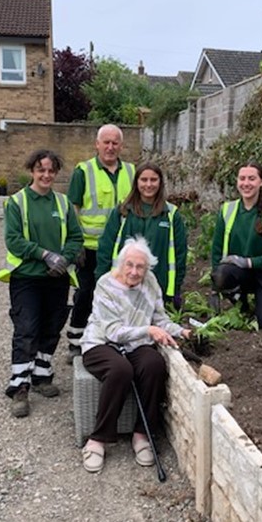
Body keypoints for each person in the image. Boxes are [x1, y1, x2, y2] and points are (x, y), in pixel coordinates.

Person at [79, 236, 190, 474]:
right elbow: (112, 331)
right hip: (101, 342)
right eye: (129, 265)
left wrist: (182, 331)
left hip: (136, 342)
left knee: (154, 364)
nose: (134, 271)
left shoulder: (150, 282)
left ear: (147, 268)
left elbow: (160, 318)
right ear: (121, 264)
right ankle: (98, 439)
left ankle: (142, 434)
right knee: (121, 370)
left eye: (140, 266)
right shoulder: (105, 285)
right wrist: (148, 330)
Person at [0, 149, 84, 418]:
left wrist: (64, 260)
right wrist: (45, 255)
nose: (46, 175)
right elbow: (14, 240)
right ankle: (19, 386)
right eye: (41, 169)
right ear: (32, 171)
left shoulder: (63, 204)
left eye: (51, 170)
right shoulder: (17, 202)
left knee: (52, 325)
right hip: (27, 277)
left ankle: (42, 374)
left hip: (57, 277)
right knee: (27, 328)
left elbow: (76, 237)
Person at [64, 124, 135, 362]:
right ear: (97, 144)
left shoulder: (131, 172)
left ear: (121, 146)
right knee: (86, 293)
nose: (110, 147)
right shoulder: (83, 171)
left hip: (121, 249)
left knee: (117, 295)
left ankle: (108, 338)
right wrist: (76, 244)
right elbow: (73, 208)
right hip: (90, 248)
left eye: (115, 143)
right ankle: (76, 340)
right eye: (106, 142)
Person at [210, 162, 262, 332]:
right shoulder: (227, 210)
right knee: (222, 273)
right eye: (242, 178)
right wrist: (215, 288)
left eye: (251, 178)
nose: (246, 183)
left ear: (261, 182)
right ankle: (241, 303)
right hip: (238, 272)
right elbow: (217, 250)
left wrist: (248, 262)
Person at [95, 162, 188, 309]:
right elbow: (106, 247)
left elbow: (180, 253)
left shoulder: (171, 214)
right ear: (136, 182)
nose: (149, 185)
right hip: (122, 286)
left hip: (159, 286)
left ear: (160, 182)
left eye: (153, 180)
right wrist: (101, 280)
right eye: (144, 180)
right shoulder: (122, 212)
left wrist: (176, 287)